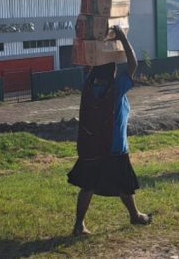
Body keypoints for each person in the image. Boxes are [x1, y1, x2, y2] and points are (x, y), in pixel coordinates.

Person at [67, 25, 151, 236]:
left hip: (93, 146)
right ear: (112, 73)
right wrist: (121, 36)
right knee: (124, 183)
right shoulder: (116, 88)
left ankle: (79, 225)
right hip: (114, 147)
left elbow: (90, 66)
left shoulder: (88, 87)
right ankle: (134, 216)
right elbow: (133, 64)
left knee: (88, 186)